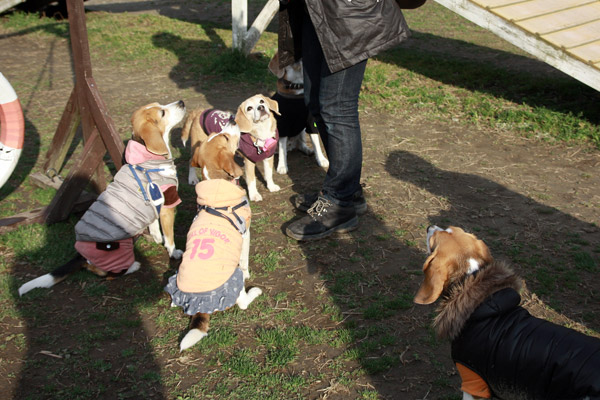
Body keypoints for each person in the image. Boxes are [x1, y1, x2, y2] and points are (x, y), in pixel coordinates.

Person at [278, 0, 411, 240]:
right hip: (314, 9)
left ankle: (338, 202)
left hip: (347, 13)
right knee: (315, 103)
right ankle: (349, 191)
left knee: (337, 108)